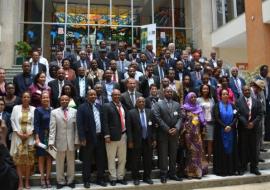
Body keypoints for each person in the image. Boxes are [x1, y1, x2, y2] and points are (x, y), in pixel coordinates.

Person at [77, 90, 107, 188]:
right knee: (87, 160)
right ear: (87, 96)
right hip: (88, 138)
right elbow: (79, 124)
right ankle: (86, 180)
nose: (93, 96)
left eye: (94, 94)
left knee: (100, 159)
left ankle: (100, 179)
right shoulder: (82, 107)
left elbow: (103, 122)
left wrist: (106, 135)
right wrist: (82, 138)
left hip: (100, 137)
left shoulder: (99, 106)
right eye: (91, 94)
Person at [48, 95, 79, 189]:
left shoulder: (75, 111)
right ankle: (60, 181)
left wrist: (77, 140)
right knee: (59, 162)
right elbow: (52, 128)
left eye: (66, 99)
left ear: (69, 101)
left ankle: (70, 180)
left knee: (71, 162)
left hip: (71, 141)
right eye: (62, 100)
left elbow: (77, 128)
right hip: (59, 141)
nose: (64, 101)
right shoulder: (54, 112)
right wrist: (51, 141)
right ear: (60, 101)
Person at [153, 87, 182, 183]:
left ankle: (173, 173)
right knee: (163, 155)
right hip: (163, 134)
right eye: (167, 92)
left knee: (173, 155)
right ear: (163, 93)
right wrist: (167, 129)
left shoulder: (177, 104)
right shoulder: (158, 104)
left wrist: (177, 128)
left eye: (171, 92)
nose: (169, 93)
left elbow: (180, 118)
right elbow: (157, 118)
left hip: (174, 134)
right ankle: (163, 174)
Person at [126, 97, 156, 185]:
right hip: (136, 141)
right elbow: (129, 128)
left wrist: (154, 139)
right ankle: (136, 178)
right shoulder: (131, 113)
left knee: (148, 160)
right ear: (136, 103)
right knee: (136, 161)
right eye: (140, 101)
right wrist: (130, 141)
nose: (142, 103)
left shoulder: (150, 112)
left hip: (148, 140)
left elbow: (153, 127)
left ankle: (147, 177)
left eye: (143, 101)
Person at [10, 91, 36, 189]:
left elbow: (35, 123)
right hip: (18, 137)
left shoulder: (34, 109)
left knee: (28, 161)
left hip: (29, 137)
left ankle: (27, 182)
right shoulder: (16, 108)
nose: (26, 98)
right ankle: (20, 182)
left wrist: (30, 133)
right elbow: (12, 120)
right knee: (18, 161)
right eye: (24, 97)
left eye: (28, 97)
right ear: (22, 98)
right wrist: (18, 133)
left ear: (30, 99)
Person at [103, 89, 128, 186]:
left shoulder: (123, 106)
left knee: (123, 158)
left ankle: (120, 177)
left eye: (118, 94)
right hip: (111, 137)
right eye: (115, 95)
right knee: (111, 158)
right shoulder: (107, 106)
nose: (117, 96)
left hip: (123, 135)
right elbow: (104, 122)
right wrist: (107, 135)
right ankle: (113, 178)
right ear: (111, 96)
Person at [236, 85, 262, 175]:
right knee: (243, 148)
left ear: (250, 91)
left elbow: (260, 114)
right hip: (243, 129)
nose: (247, 91)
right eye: (245, 90)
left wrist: (253, 123)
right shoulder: (238, 102)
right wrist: (246, 123)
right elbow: (238, 114)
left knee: (253, 148)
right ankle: (243, 167)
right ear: (242, 92)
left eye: (248, 90)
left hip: (253, 129)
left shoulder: (257, 101)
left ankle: (254, 167)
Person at [181, 92, 208, 179]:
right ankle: (189, 173)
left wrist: (203, 122)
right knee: (190, 152)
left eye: (194, 97)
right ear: (188, 98)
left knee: (198, 152)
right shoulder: (184, 108)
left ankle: (198, 172)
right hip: (188, 134)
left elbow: (203, 120)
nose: (193, 99)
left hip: (197, 135)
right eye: (191, 97)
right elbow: (181, 120)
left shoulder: (199, 108)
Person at [213, 89, 239, 176]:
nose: (225, 95)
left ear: (229, 95)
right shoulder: (217, 106)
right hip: (221, 131)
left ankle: (231, 170)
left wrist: (230, 126)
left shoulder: (233, 106)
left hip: (231, 131)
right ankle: (222, 170)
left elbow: (236, 116)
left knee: (231, 149)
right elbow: (217, 118)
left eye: (226, 94)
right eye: (223, 94)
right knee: (222, 150)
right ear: (220, 96)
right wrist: (225, 126)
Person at [33, 92, 52, 188]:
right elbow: (35, 124)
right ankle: (42, 178)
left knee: (49, 157)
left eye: (47, 97)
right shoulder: (38, 110)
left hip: (51, 136)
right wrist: (36, 138)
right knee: (41, 157)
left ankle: (48, 178)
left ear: (49, 99)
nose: (45, 99)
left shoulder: (52, 110)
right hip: (41, 135)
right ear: (41, 99)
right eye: (43, 97)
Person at [197, 85, 215, 162]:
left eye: (207, 89)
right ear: (201, 90)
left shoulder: (212, 100)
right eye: (204, 89)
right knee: (203, 141)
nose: (205, 90)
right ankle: (203, 159)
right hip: (202, 124)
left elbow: (213, 111)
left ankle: (209, 159)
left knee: (210, 141)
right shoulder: (198, 100)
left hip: (210, 123)